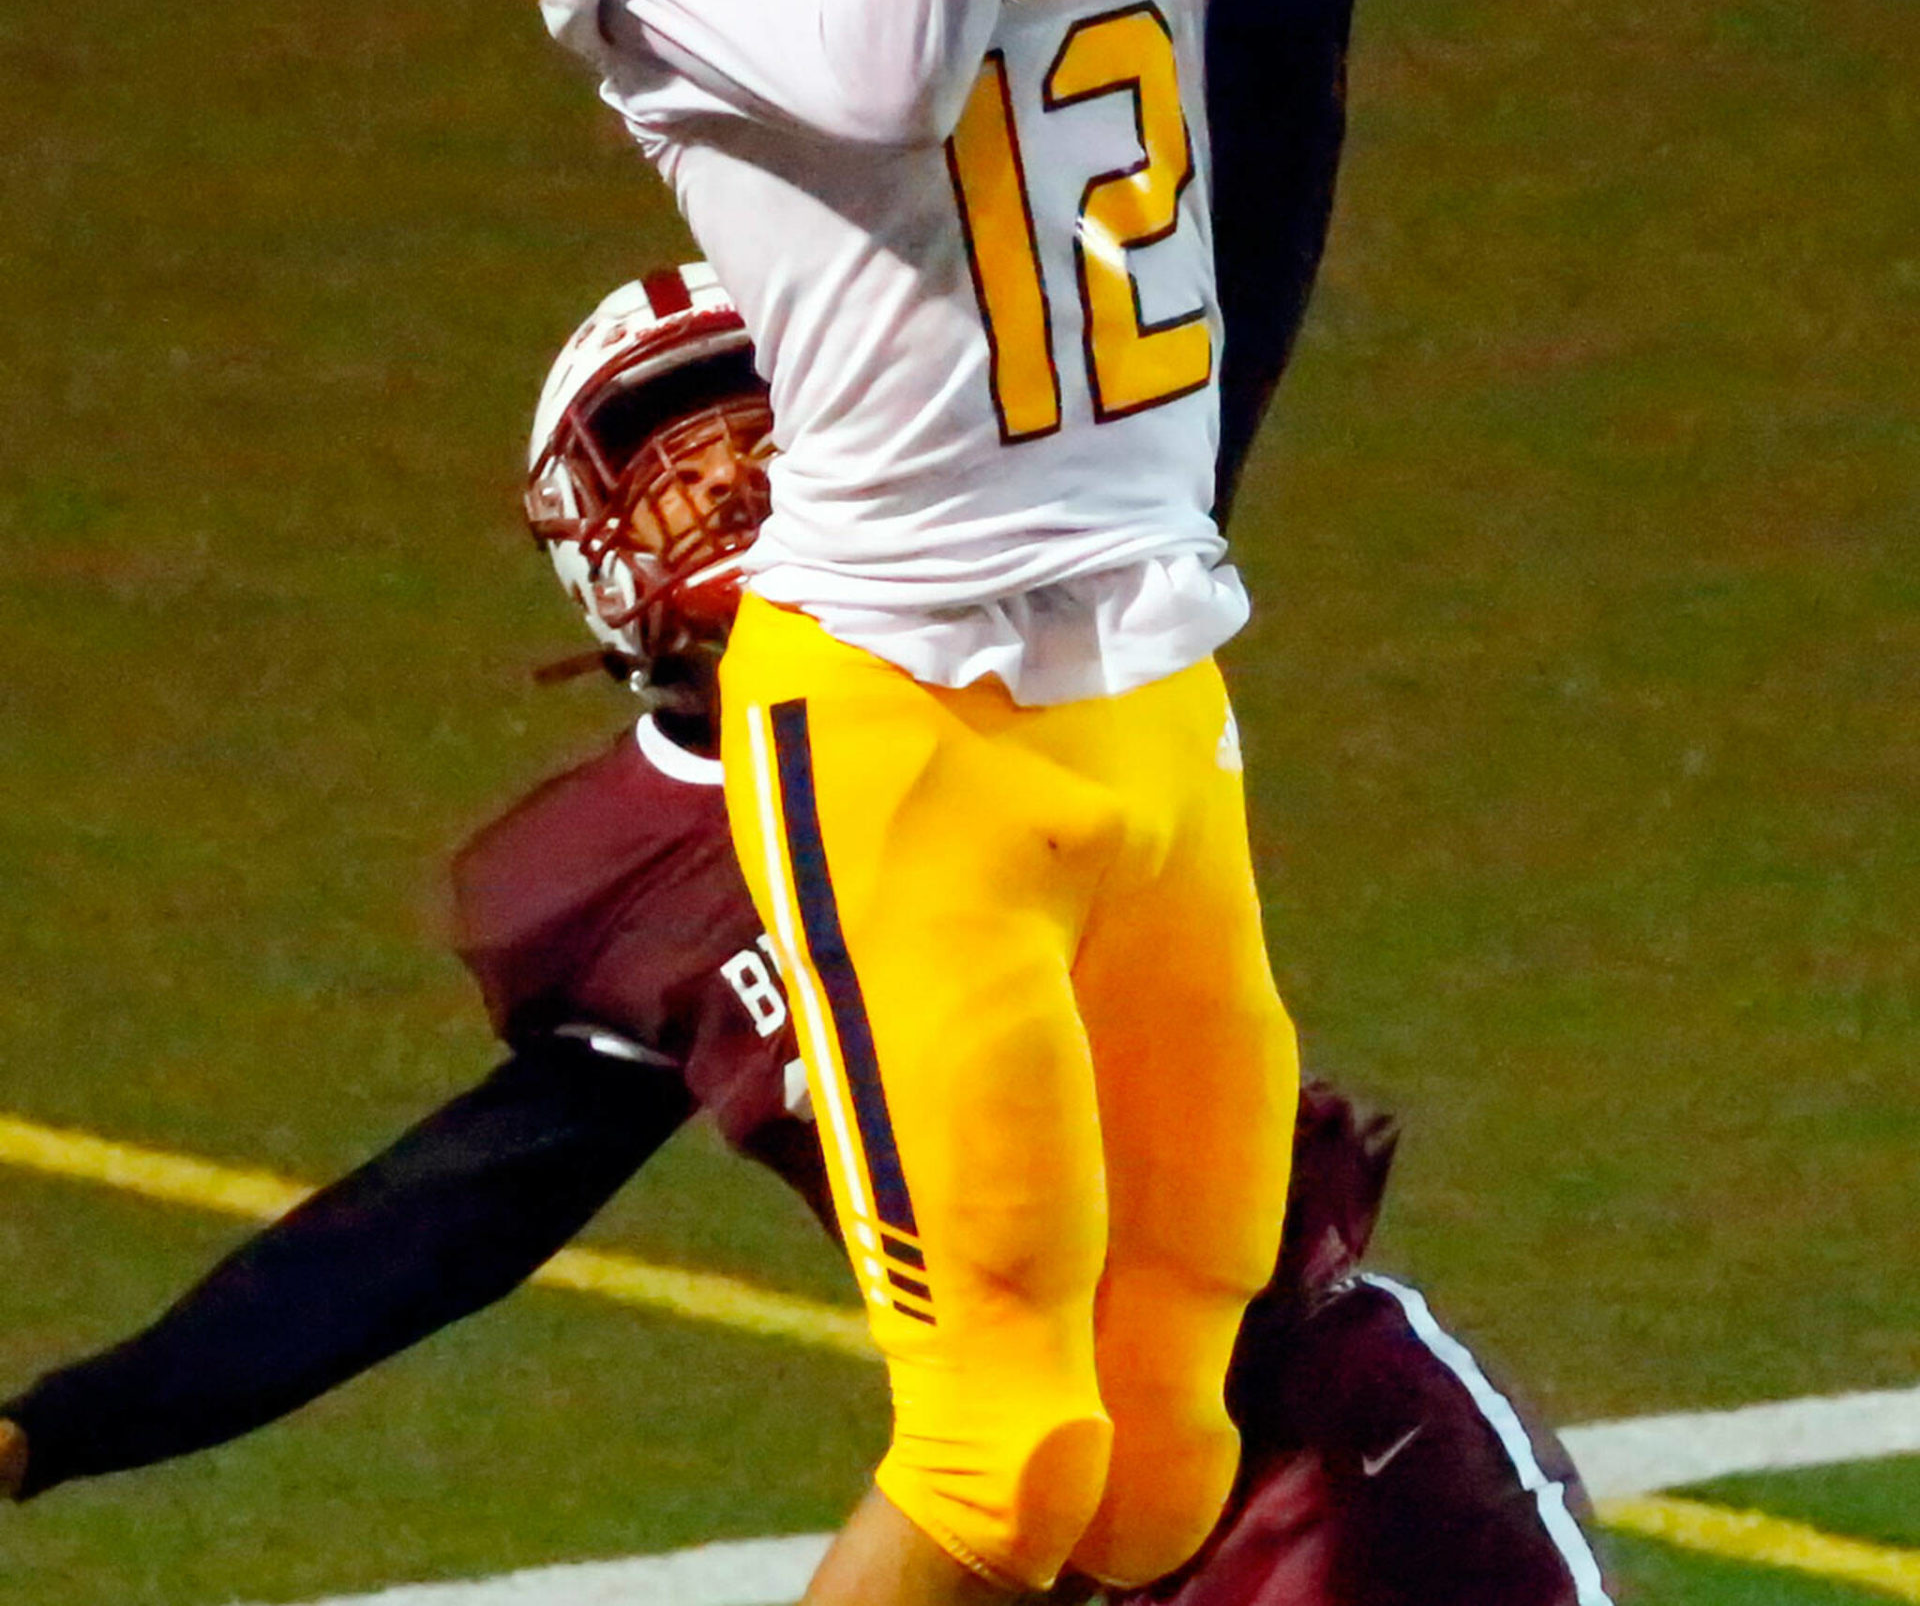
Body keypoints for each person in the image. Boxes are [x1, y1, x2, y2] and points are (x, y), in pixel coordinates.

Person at [497, 0, 1516, 1606]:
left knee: (1172, 1410)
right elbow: (873, 64)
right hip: (900, 702)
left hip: (1152, 656)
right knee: (993, 1450)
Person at [0, 266, 1606, 1606]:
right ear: (586, 535)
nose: (730, 468)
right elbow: (448, 1219)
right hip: (1019, 1522)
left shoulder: (1024, 653)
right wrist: (58, 1425)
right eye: (670, 445)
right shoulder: (627, 870)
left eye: (765, 414)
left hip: (1311, 1450)